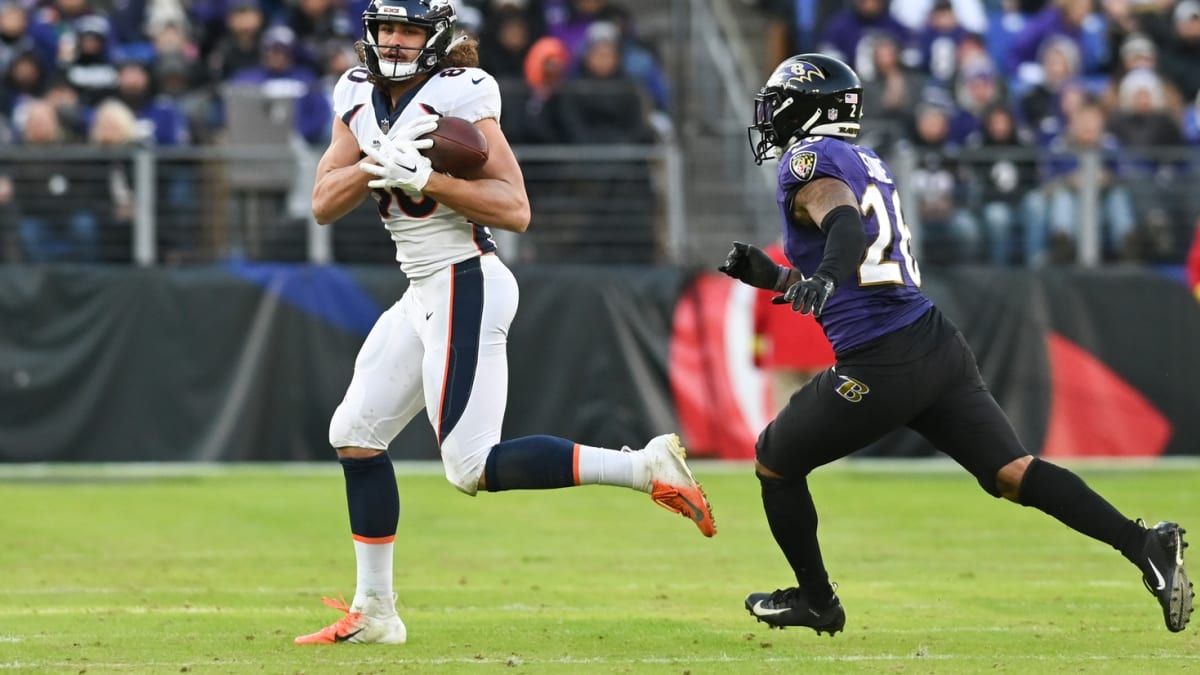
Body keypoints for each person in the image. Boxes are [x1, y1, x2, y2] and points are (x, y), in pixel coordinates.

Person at [718, 53, 1192, 635]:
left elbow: (845, 224)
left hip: (882, 360)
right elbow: (860, 269)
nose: (771, 118)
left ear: (808, 110)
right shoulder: (865, 159)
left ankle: (817, 601)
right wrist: (778, 277)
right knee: (1012, 473)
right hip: (934, 345)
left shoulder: (807, 159)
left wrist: (824, 276)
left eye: (780, 105)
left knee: (774, 460)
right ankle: (1143, 544)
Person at [293, 0, 715, 646]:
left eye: (410, 29)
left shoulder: (463, 92)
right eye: (388, 29)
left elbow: (515, 207)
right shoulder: (355, 93)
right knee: (354, 431)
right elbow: (323, 201)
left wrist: (427, 174)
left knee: (469, 467)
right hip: (423, 287)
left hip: (467, 277)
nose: (397, 41)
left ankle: (644, 466)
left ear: (435, 36)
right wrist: (375, 159)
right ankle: (375, 609)